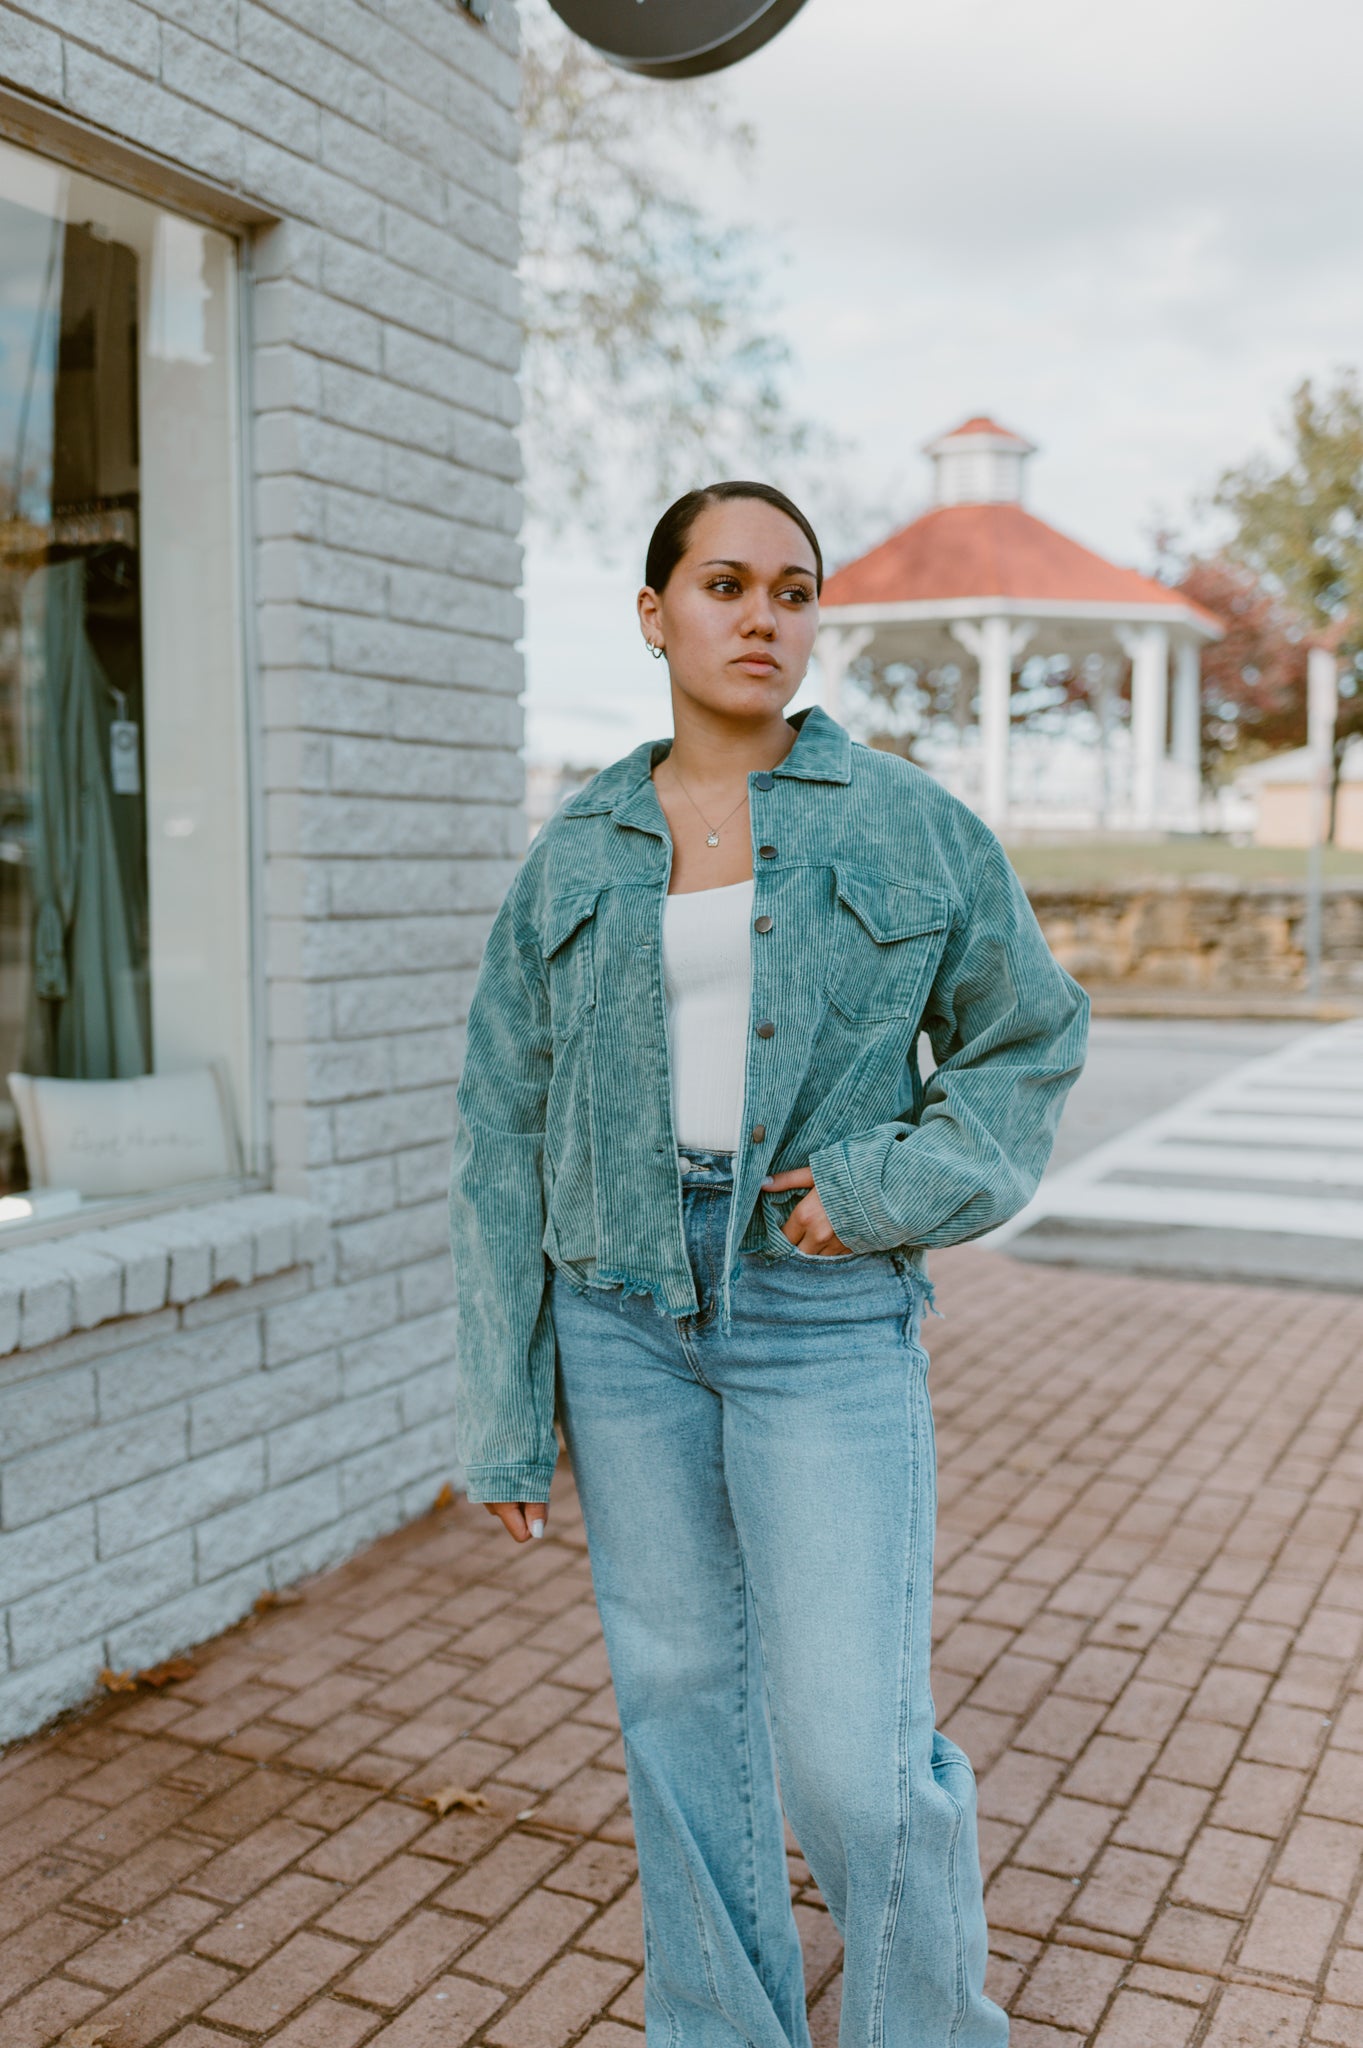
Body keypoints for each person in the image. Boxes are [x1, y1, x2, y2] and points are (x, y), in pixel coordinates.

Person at [448, 481, 1088, 2047]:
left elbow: (1028, 1040)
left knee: (852, 1752)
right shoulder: (578, 846)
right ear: (657, 611)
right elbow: (498, 1130)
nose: (762, 616)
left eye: (793, 591)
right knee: (679, 1714)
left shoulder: (904, 825)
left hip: (818, 1311)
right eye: (725, 584)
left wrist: (883, 1187)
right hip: (618, 1309)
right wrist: (504, 1403)